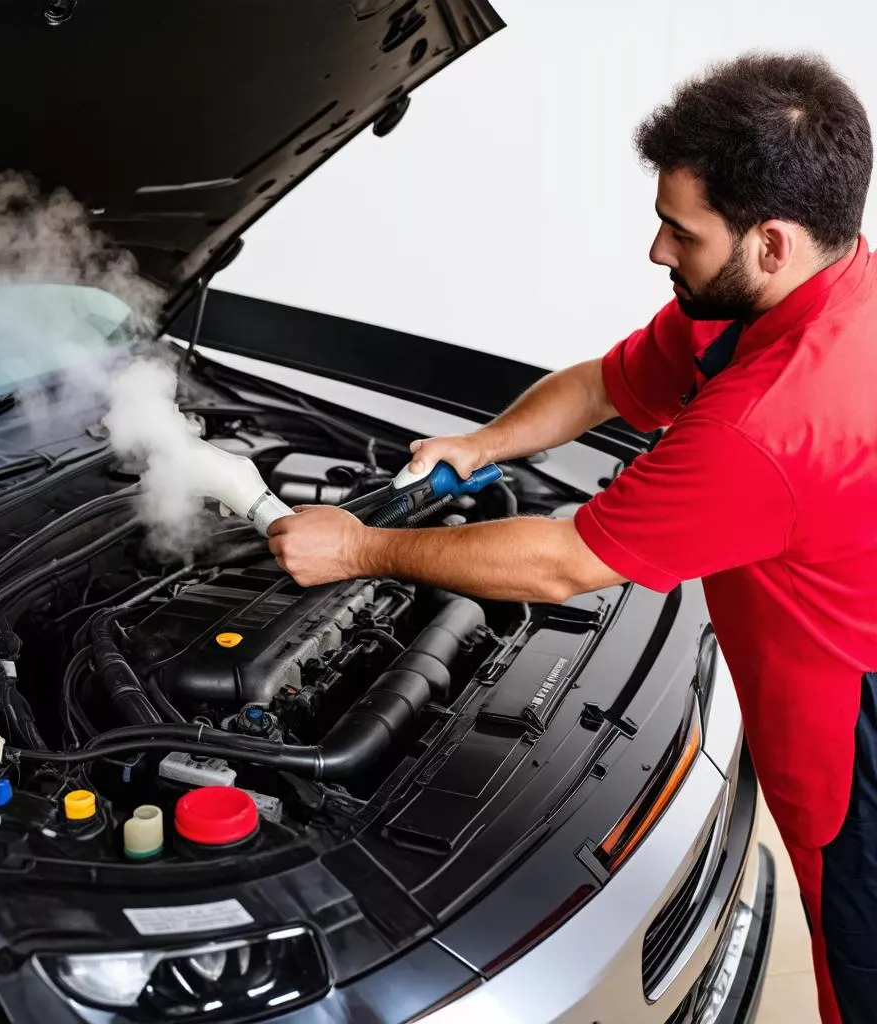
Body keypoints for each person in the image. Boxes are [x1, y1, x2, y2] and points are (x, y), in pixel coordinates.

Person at [267, 53, 877, 1024]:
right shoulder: (792, 294)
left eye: (679, 232)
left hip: (849, 735)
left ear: (769, 241)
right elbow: (604, 383)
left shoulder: (767, 422)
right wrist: (477, 445)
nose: (654, 251)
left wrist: (357, 549)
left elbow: (564, 563)